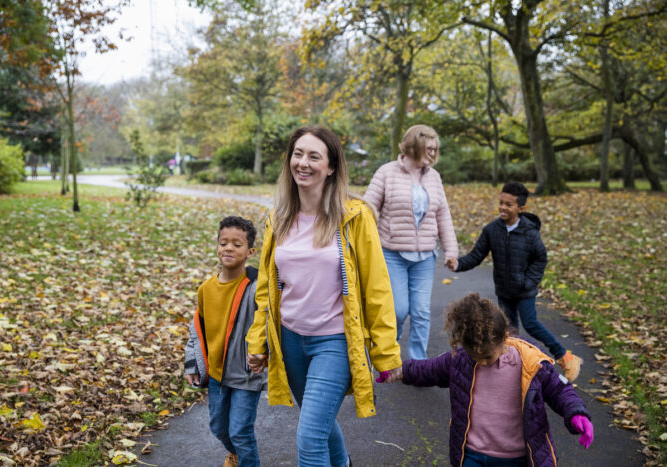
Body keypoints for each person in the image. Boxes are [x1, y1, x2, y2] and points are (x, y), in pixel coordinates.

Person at [246, 125, 402, 466]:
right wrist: (258, 341)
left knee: (309, 437)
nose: (303, 162)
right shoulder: (279, 219)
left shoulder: (355, 217)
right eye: (298, 154)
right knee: (321, 426)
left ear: (331, 167)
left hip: (334, 342)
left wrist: (386, 353)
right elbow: (266, 293)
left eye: (314, 156)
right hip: (290, 340)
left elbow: (377, 287)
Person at [382, 293, 594, 467]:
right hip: (473, 455)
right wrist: (399, 371)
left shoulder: (531, 361)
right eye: (475, 356)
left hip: (518, 458)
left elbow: (560, 390)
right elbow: (428, 369)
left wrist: (576, 413)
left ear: (504, 339)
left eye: (487, 357)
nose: (481, 363)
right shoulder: (462, 359)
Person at [447, 182, 582, 382]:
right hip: (504, 290)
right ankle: (515, 370)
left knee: (531, 323)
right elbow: (477, 255)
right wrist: (458, 264)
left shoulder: (529, 232)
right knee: (508, 332)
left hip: (524, 290)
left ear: (520, 208)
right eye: (501, 203)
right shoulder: (492, 230)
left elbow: (540, 259)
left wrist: (529, 282)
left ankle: (565, 357)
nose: (503, 207)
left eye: (508, 204)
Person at [364, 124, 458, 360]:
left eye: (435, 149)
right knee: (397, 310)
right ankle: (389, 354)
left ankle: (418, 363)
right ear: (413, 147)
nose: (433, 154)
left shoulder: (434, 177)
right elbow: (367, 210)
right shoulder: (387, 172)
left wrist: (451, 250)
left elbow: (442, 214)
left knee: (421, 312)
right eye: (429, 148)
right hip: (392, 253)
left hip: (425, 256)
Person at [184, 216, 266, 467]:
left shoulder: (256, 287)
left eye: (237, 244)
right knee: (219, 427)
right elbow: (197, 330)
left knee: (240, 431)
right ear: (217, 247)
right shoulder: (206, 289)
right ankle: (236, 454)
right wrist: (191, 364)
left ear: (250, 251)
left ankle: (245, 458)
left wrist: (263, 352)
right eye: (223, 243)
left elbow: (268, 324)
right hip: (217, 374)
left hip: (245, 374)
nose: (228, 248)